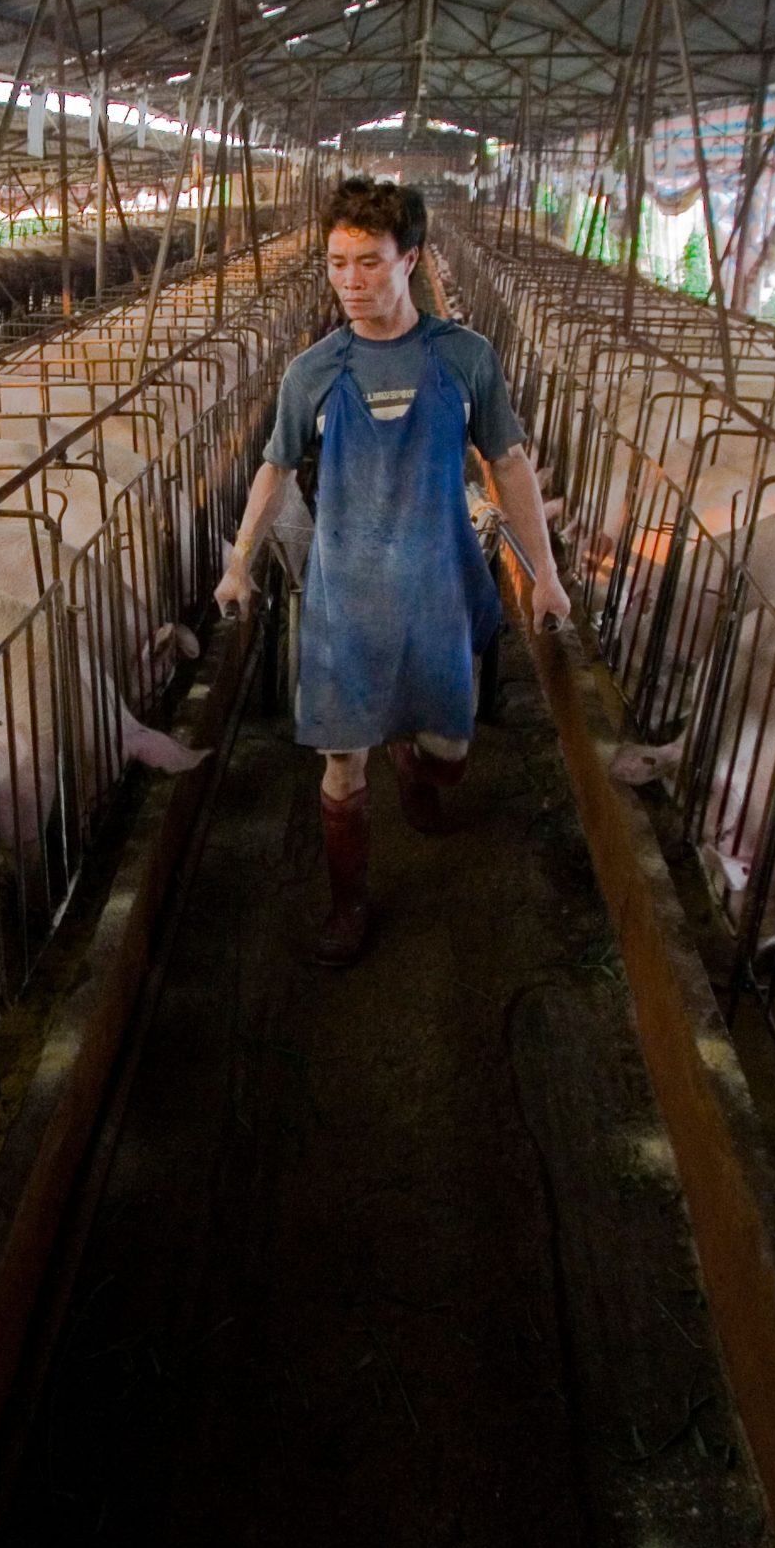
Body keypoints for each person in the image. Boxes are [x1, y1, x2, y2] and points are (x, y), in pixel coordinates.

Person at [213, 177, 569, 968]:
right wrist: (240, 563)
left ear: (411, 260)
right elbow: (274, 471)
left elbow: (507, 464)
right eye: (337, 263)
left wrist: (543, 573)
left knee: (449, 751)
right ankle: (349, 904)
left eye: (369, 262)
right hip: (347, 593)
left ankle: (416, 757)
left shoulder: (464, 358)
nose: (349, 281)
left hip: (438, 584)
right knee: (341, 764)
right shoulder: (315, 370)